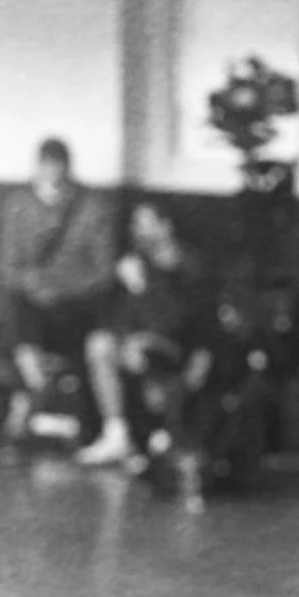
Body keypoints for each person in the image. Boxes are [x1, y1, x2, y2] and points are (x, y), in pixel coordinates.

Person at [77, 201, 216, 470]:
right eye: (135, 224)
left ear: (166, 226)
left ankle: (157, 438)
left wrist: (141, 288)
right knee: (99, 344)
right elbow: (123, 316)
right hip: (138, 341)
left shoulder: (188, 265)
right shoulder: (138, 262)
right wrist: (125, 335)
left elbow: (174, 323)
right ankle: (116, 433)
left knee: (142, 354)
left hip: (178, 347)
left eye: (144, 223)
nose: (137, 231)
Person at [0, 138, 116, 437]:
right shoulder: (18, 207)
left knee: (32, 320)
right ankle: (39, 385)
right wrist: (35, 284)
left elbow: (102, 271)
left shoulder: (92, 209)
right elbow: (9, 266)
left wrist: (61, 287)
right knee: (20, 309)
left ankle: (35, 399)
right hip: (33, 301)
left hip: (75, 303)